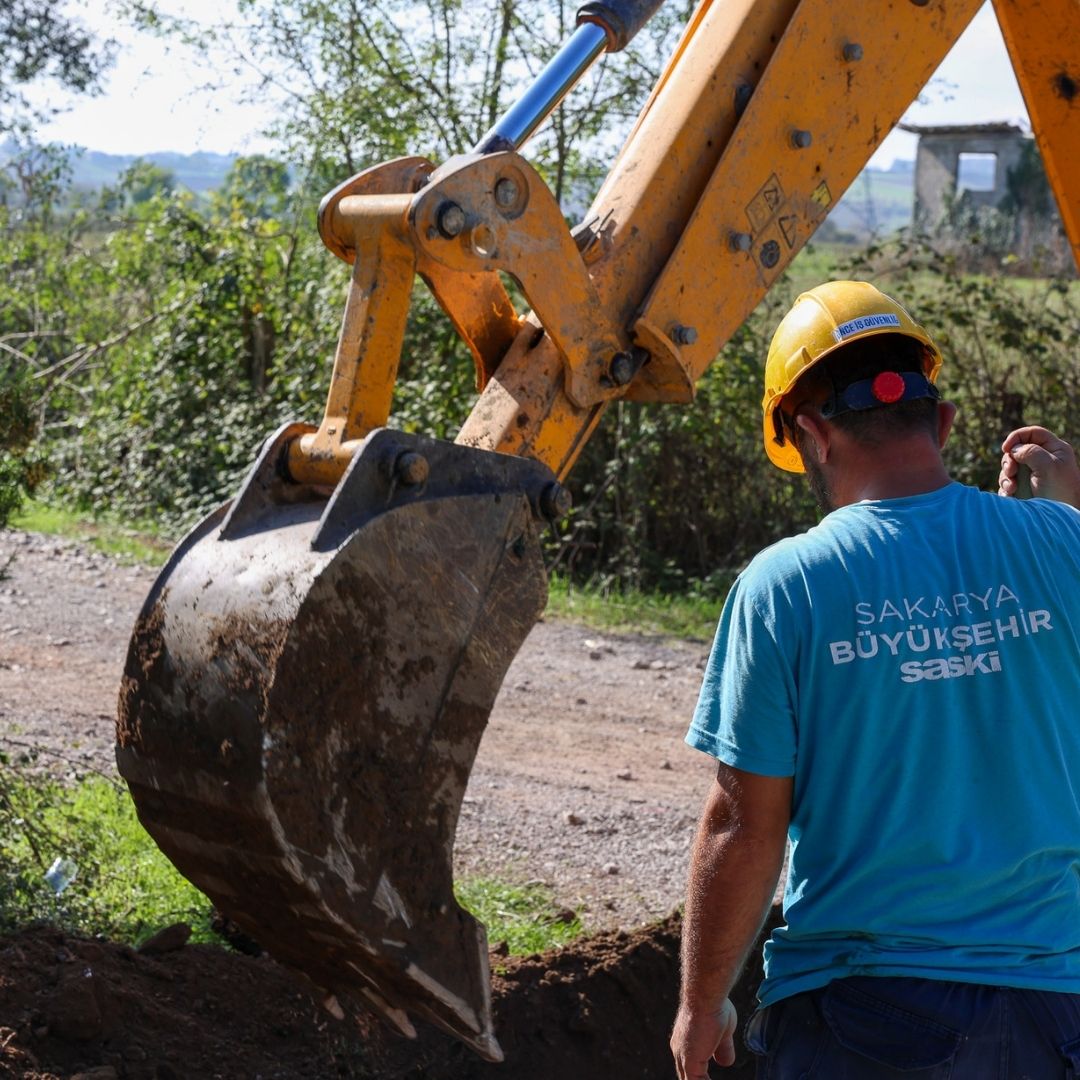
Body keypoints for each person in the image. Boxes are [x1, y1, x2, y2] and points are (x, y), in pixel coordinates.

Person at [671, 280, 1080, 1079]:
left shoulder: (784, 586)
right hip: (1057, 1015)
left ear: (812, 435)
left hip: (865, 1016)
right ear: (944, 422)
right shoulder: (1064, 544)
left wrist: (701, 999)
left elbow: (744, 825)